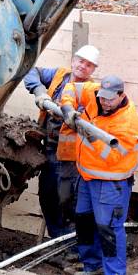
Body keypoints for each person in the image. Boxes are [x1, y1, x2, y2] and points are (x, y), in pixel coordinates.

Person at [61, 75, 138, 275]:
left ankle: (114, 273)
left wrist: (86, 132)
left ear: (121, 95)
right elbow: (71, 88)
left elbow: (113, 156)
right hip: (86, 177)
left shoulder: (131, 124)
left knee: (109, 231)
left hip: (110, 184)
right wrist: (67, 107)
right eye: (102, 97)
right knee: (84, 223)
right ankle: (92, 266)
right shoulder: (94, 92)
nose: (104, 102)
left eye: (109, 99)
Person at [23, 44, 100, 238]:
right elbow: (30, 71)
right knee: (48, 196)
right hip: (49, 150)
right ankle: (57, 239)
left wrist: (67, 113)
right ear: (73, 60)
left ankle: (69, 244)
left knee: (66, 200)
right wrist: (40, 91)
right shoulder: (59, 75)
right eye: (81, 61)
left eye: (89, 65)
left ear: (93, 70)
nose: (83, 66)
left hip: (70, 156)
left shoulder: (91, 91)